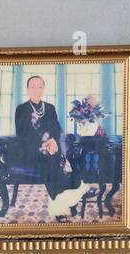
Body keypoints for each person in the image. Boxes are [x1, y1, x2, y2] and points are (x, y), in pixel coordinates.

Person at [14, 75, 82, 220]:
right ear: (27, 89)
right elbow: (21, 133)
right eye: (32, 86)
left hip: (51, 147)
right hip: (31, 149)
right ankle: (60, 208)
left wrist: (54, 141)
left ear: (43, 89)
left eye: (40, 86)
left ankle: (68, 200)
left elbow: (57, 128)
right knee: (53, 164)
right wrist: (43, 144)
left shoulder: (50, 108)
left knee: (66, 163)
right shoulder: (21, 109)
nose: (36, 89)